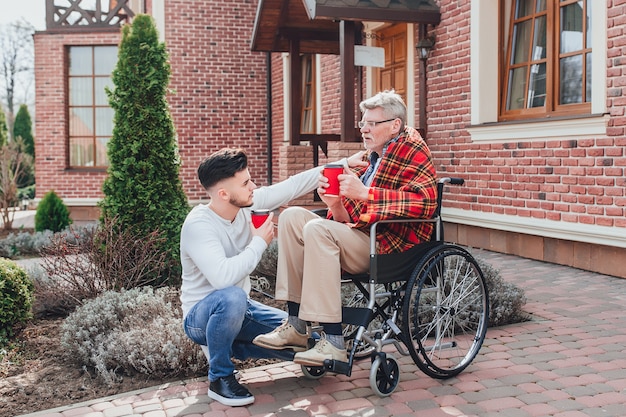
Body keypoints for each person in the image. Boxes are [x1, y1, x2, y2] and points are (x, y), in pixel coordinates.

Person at [253, 90, 438, 366]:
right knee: (291, 217)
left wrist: (366, 194)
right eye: (363, 123)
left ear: (395, 125)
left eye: (372, 123)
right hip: (359, 235)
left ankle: (334, 342)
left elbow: (426, 202)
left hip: (389, 246)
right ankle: (296, 326)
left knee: (318, 229)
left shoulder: (412, 149)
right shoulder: (370, 158)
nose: (364, 129)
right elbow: (346, 219)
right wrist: (335, 203)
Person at [180, 148, 365, 407]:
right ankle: (220, 378)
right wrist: (258, 243)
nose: (253, 186)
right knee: (231, 296)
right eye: (245, 183)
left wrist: (343, 163)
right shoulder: (199, 225)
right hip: (200, 318)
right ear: (223, 194)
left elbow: (291, 186)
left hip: (242, 310)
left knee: (306, 342)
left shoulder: (246, 202)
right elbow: (223, 280)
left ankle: (235, 346)